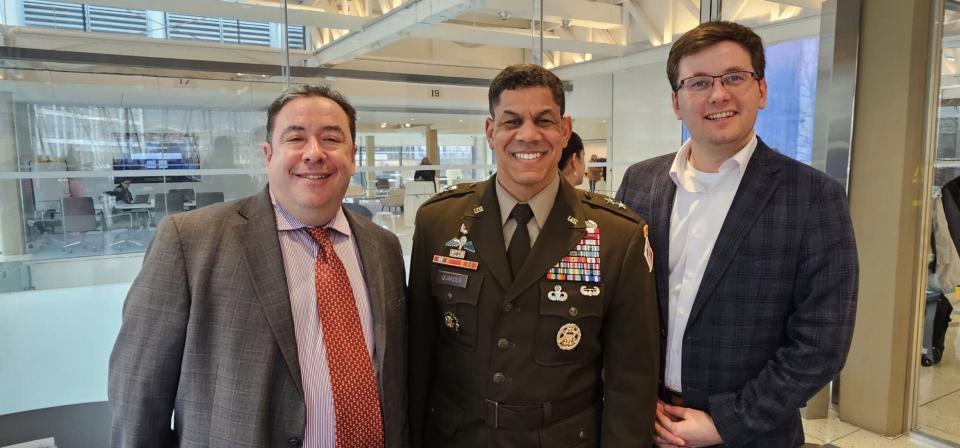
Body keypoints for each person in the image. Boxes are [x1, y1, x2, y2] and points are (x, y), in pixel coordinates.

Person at [109, 85, 408, 448]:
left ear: (352, 154)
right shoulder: (190, 241)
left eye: (331, 139)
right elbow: (140, 395)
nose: (314, 154)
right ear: (269, 154)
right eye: (295, 138)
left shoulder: (383, 247)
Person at [615, 21, 858, 447]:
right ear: (676, 102)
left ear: (761, 90)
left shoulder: (814, 196)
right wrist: (637, 396)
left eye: (734, 77)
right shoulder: (640, 182)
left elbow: (821, 342)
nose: (718, 94)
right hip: (647, 425)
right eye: (698, 82)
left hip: (753, 434)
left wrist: (727, 423)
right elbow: (618, 305)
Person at [408, 64, 659, 447]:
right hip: (459, 436)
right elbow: (419, 357)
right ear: (491, 132)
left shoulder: (616, 235)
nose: (528, 134)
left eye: (544, 120)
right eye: (511, 122)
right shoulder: (438, 222)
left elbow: (632, 379)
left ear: (564, 130)